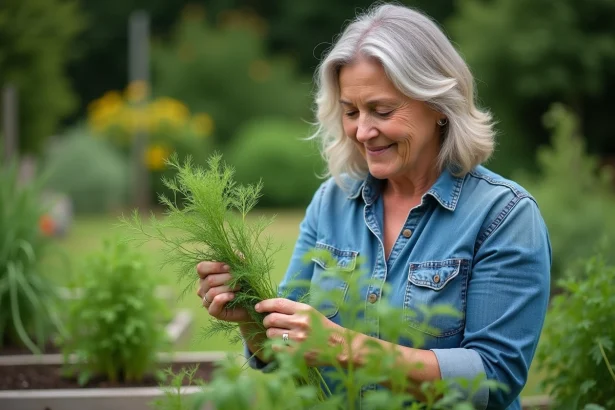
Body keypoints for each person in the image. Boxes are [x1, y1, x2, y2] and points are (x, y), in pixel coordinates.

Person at [196, 3, 551, 409]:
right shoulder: (332, 202)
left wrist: (342, 346)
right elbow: (288, 353)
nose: (363, 131)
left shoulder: (504, 216)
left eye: (382, 111)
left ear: (437, 103)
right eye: (350, 112)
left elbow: (492, 379)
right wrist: (250, 319)